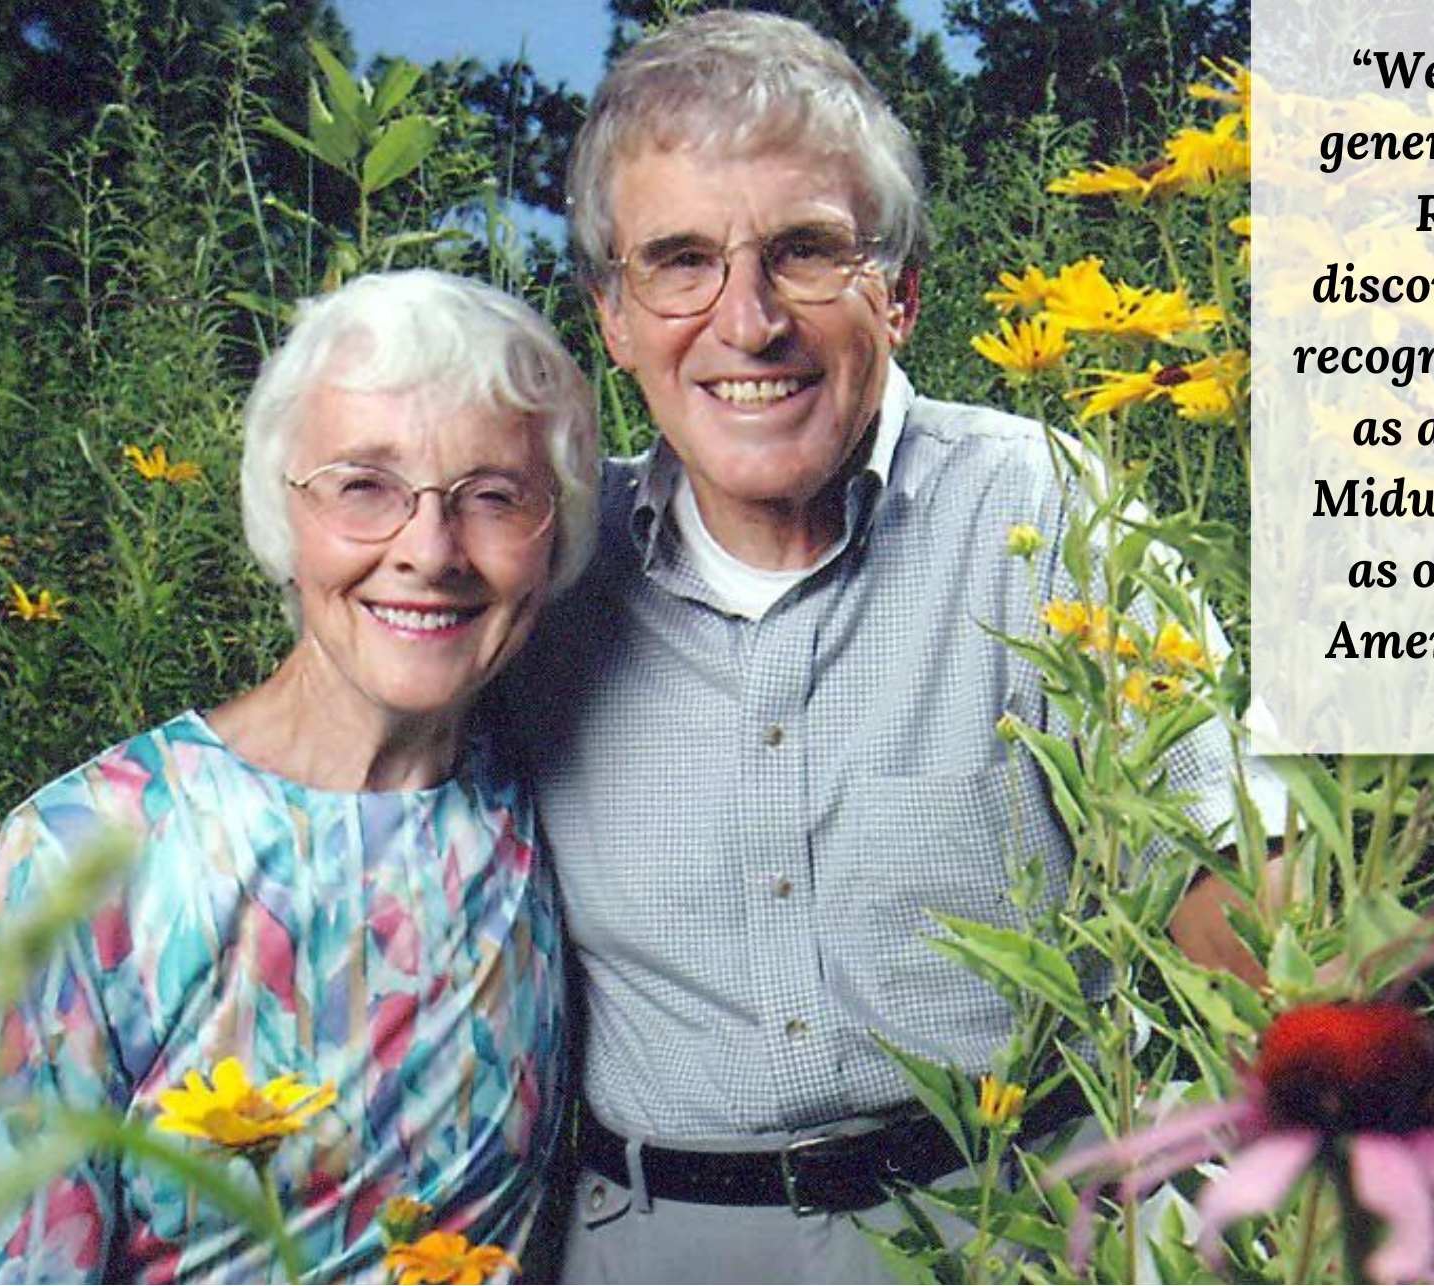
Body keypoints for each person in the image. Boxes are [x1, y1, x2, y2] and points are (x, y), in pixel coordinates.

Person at [506, 12, 1281, 1282]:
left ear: (902, 291)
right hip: (657, 1245)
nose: (745, 322)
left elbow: (1219, 888)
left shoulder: (1040, 510)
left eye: (804, 252)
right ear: (613, 315)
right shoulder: (547, 575)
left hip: (1023, 1229)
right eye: (679, 262)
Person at [0, 269, 597, 1283]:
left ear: (558, 537)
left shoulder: (553, 793)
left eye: (492, 496)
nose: (428, 550)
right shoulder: (90, 849)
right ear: (280, 516)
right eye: (363, 485)